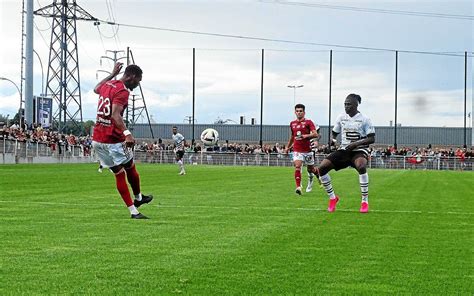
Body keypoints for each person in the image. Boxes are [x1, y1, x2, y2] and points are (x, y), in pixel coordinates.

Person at [92, 62, 153, 219]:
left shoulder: (109, 84)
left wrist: (112, 74)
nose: (138, 84)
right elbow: (115, 115)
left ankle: (135, 209)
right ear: (131, 77)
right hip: (113, 140)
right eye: (138, 81)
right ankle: (138, 199)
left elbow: (95, 88)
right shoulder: (122, 91)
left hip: (98, 139)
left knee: (119, 174)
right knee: (130, 167)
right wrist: (127, 133)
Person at [316, 94, 375, 213]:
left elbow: (371, 138)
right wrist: (331, 143)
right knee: (322, 168)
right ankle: (333, 198)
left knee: (361, 166)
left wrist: (356, 144)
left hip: (359, 150)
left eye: (349, 104)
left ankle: (364, 201)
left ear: (356, 105)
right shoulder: (341, 117)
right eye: (345, 104)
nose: (346, 106)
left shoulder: (365, 119)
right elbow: (334, 133)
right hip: (344, 150)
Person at [285, 104, 320, 195]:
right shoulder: (292, 123)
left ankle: (318, 175)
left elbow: (316, 134)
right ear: (295, 112)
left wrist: (306, 136)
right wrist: (287, 147)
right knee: (297, 166)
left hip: (308, 151)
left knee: (311, 169)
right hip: (297, 150)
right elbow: (292, 137)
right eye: (297, 111)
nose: (299, 112)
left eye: (301, 111)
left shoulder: (309, 122)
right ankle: (298, 187)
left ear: (304, 112)